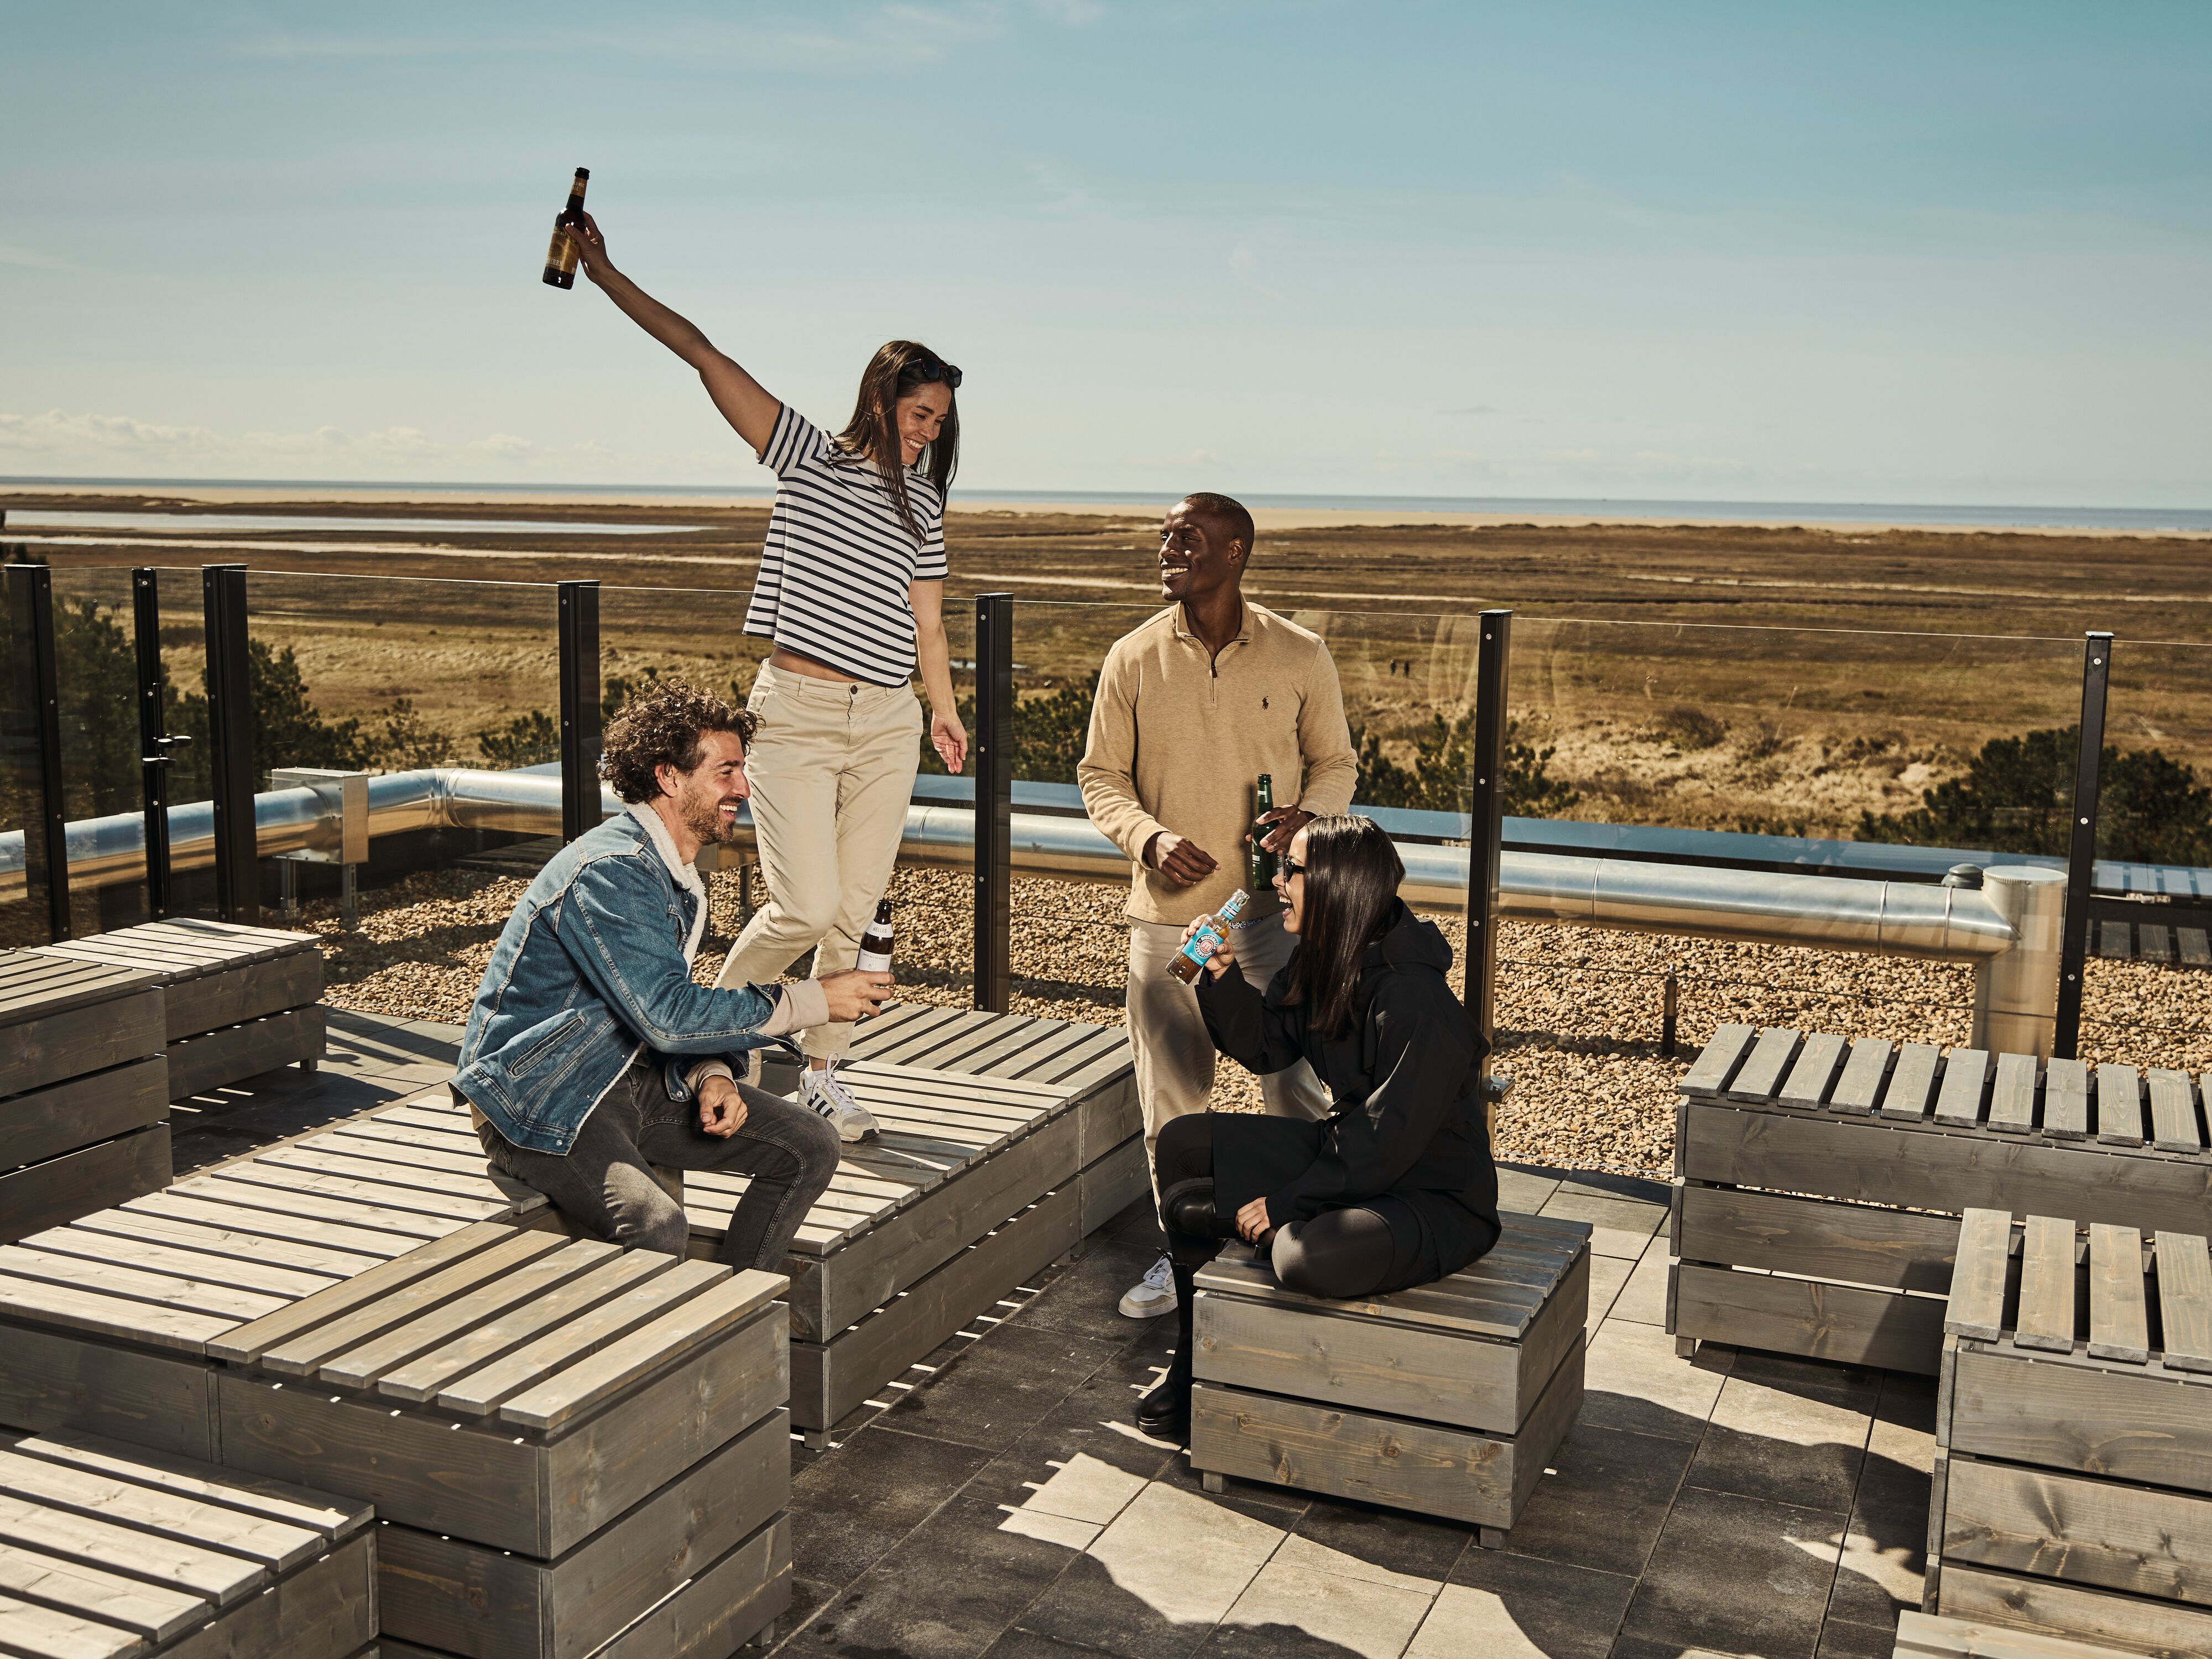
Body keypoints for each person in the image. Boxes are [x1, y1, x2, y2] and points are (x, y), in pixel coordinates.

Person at [559, 210, 967, 1144]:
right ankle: (700, 1039)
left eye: (940, 421)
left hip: (889, 719)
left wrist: (942, 711)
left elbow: (930, 621)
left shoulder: (927, 501)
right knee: (805, 906)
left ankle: (822, 1073)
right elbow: (701, 353)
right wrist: (606, 273)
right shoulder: (807, 458)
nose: (928, 432)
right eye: (919, 414)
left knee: (854, 913)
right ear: (881, 402)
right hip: (800, 714)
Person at [453, 680, 894, 1271]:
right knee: (657, 1225)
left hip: (624, 1078)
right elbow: (665, 1018)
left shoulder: (668, 870)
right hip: (542, 1094)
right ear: (669, 777)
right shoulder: (612, 871)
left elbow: (660, 1007)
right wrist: (812, 1000)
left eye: (743, 770)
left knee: (809, 1144)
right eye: (726, 771)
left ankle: (736, 1301)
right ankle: (655, 1330)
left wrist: (711, 1073)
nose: (743, 787)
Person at [1077, 492, 1359, 1321]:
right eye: (1165, 537)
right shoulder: (1132, 657)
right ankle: (1182, 1256)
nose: (1169, 550)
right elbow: (1100, 776)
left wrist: (1310, 817)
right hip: (1169, 925)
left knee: (1296, 1089)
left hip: (1277, 922)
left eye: (1188, 538)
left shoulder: (1301, 653)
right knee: (1172, 1107)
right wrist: (1149, 839)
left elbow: (1336, 764)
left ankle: (1301, 1235)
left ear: (1235, 553)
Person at [1134, 815, 1503, 1441]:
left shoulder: (1413, 997)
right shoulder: (1324, 957)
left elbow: (1389, 1137)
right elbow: (1266, 1047)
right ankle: (1193, 1360)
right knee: (1184, 1143)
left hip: (1433, 1196)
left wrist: (1286, 1202)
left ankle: (1250, 1251)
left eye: (1291, 869)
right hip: (1355, 1155)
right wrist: (1221, 973)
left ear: (1336, 885)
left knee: (1301, 1255)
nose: (1276, 881)